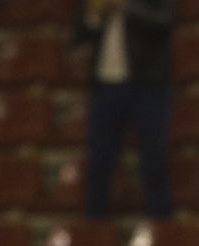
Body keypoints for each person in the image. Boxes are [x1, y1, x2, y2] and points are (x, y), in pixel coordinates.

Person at [75, 0, 175, 220]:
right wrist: (95, 16)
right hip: (105, 86)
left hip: (147, 85)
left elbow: (165, 20)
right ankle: (94, 226)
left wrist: (125, 7)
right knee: (99, 159)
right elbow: (79, 36)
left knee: (154, 157)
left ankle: (162, 224)